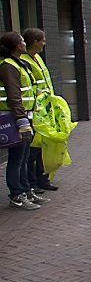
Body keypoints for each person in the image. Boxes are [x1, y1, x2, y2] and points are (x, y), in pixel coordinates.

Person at [0, 32, 42, 210]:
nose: (25, 43)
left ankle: (26, 190)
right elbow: (14, 96)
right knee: (17, 159)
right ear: (17, 46)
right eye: (22, 40)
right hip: (16, 118)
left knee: (25, 157)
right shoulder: (8, 66)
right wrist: (21, 121)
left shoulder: (18, 63)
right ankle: (17, 195)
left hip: (25, 116)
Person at [21, 28, 58, 192]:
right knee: (33, 149)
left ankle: (43, 179)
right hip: (34, 112)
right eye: (42, 40)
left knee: (44, 146)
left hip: (45, 110)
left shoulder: (37, 59)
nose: (44, 43)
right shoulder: (23, 60)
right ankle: (32, 182)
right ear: (34, 42)